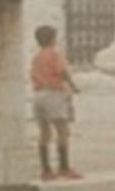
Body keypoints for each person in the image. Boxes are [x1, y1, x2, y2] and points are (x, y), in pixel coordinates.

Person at [27, 24, 79, 180]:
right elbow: (62, 71)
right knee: (62, 131)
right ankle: (63, 166)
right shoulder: (54, 55)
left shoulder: (36, 57)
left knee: (44, 132)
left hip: (38, 94)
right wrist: (73, 86)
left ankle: (46, 169)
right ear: (52, 39)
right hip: (52, 93)